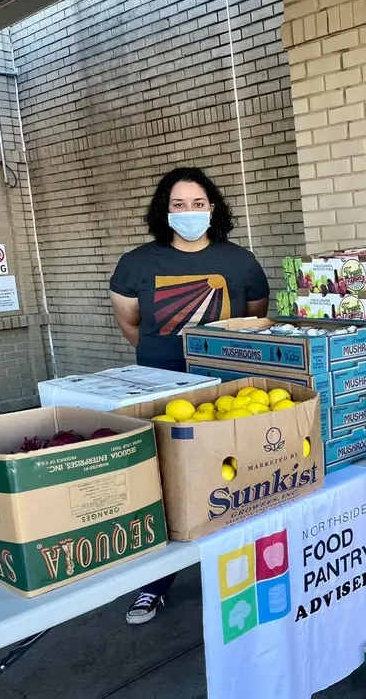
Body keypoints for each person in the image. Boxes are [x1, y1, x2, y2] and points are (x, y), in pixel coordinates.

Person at [109, 166, 269, 624]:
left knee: (235, 481)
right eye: (178, 205)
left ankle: (239, 579)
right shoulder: (137, 263)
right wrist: (162, 356)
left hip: (229, 391)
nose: (189, 213)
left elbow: (256, 317)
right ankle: (154, 584)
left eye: (197, 204)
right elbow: (131, 324)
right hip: (162, 389)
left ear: (212, 208)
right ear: (165, 211)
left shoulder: (239, 261)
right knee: (165, 485)